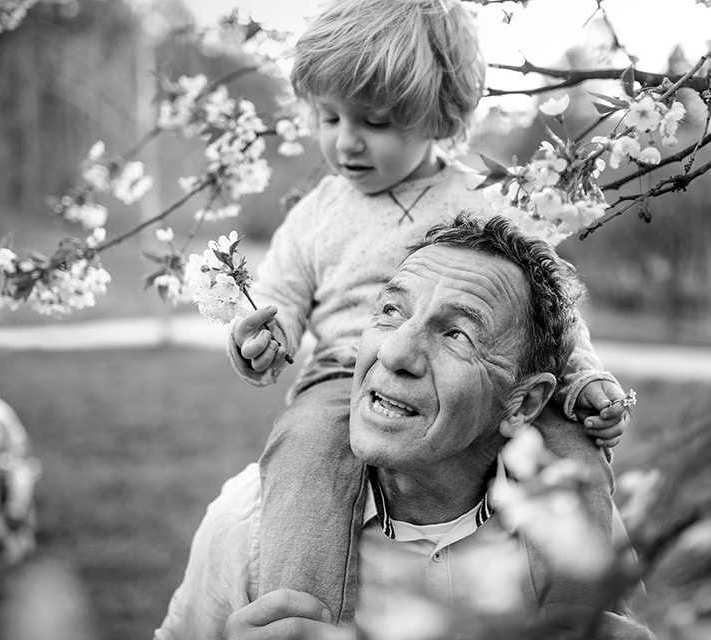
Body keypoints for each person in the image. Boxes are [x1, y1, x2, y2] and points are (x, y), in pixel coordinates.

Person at [226, 0, 633, 604]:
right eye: (328, 117)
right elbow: (278, 295)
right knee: (307, 448)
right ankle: (299, 611)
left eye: (376, 122)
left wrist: (584, 378)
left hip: (479, 383)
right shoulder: (316, 214)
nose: (346, 142)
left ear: (439, 118)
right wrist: (262, 335)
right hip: (348, 375)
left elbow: (551, 312)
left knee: (571, 446)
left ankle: (596, 611)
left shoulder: (484, 200)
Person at [156, 215, 650, 640]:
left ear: (525, 402)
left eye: (457, 333)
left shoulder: (576, 536)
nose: (393, 354)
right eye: (391, 311)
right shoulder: (250, 523)